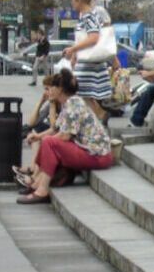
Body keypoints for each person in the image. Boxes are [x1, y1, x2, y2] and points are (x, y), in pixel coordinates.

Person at [15, 69, 114, 204]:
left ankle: (41, 190)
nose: (49, 90)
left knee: (49, 142)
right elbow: (55, 128)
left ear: (60, 89)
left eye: (52, 87)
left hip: (97, 154)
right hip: (91, 151)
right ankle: (36, 183)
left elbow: (65, 136)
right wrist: (38, 137)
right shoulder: (69, 103)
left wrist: (44, 140)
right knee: (47, 140)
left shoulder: (74, 103)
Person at [61, 0, 114, 119]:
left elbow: (93, 37)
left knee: (78, 90)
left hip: (89, 62)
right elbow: (85, 38)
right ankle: (97, 118)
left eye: (73, 0)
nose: (72, 3)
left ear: (79, 0)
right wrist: (74, 55)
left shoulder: (88, 16)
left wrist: (73, 50)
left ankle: (98, 117)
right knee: (83, 93)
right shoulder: (86, 16)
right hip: (87, 61)